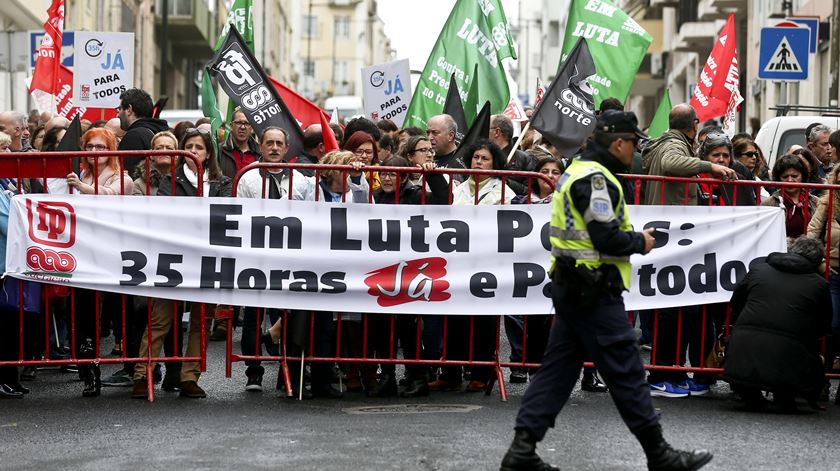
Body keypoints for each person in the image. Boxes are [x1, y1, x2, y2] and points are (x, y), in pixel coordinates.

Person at [500, 110, 712, 471]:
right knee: (627, 370)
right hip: (592, 290)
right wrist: (640, 241)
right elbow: (605, 236)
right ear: (618, 143)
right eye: (633, 143)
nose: (635, 151)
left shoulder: (580, 171)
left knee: (557, 373)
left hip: (575, 287)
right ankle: (659, 454)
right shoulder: (595, 179)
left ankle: (521, 451)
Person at [132, 127, 232, 399]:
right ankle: (142, 375)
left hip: (207, 260)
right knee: (160, 320)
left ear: (208, 153)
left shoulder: (222, 183)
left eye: (199, 148)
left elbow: (224, 217)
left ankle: (190, 377)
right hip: (174, 258)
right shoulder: (170, 181)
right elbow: (168, 214)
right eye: (189, 147)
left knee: (202, 321)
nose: (194, 153)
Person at [430, 140, 514, 393]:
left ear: (495, 163)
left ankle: (481, 373)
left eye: (485, 158)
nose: (478, 162)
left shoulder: (505, 194)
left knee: (483, 322)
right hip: (457, 265)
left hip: (488, 265)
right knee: (454, 320)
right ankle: (451, 373)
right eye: (476, 157)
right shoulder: (458, 189)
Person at [724, 236, 831, 412]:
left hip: (743, 351)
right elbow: (824, 325)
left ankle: (751, 395)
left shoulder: (758, 270)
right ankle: (785, 397)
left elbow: (736, 303)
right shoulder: (819, 284)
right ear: (817, 262)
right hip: (791, 355)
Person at [506, 157, 563, 386]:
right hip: (522, 266)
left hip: (552, 269)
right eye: (545, 171)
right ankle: (518, 362)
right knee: (515, 315)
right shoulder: (519, 202)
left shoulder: (569, 203)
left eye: (555, 171)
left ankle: (538, 366)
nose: (549, 175)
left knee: (544, 319)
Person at [642, 104, 735, 205]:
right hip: (670, 216)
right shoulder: (674, 144)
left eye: (726, 155)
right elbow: (670, 162)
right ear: (695, 124)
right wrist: (710, 166)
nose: (721, 159)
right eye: (716, 155)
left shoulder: (669, 143)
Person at [762, 155, 817, 246]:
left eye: (795, 176)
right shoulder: (768, 204)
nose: (790, 180)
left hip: (810, 254)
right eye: (785, 176)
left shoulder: (815, 202)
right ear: (778, 178)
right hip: (780, 254)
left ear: (802, 177)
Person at [66, 128, 134, 195]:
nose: (93, 151)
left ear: (111, 150)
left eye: (100, 147)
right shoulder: (84, 175)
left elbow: (110, 193)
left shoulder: (124, 179)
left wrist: (80, 185)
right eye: (89, 146)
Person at [116, 88, 170, 173]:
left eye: (120, 108)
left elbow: (126, 176)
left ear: (129, 109)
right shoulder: (159, 130)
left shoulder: (133, 136)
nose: (117, 114)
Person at [490, 114, 537, 196]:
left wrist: (505, 181)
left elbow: (530, 192)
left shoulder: (525, 159)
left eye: (487, 128)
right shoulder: (482, 157)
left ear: (497, 132)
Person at [219, 108, 260, 178]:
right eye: (238, 123)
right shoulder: (219, 151)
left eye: (247, 123)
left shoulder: (260, 153)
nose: (243, 127)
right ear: (231, 126)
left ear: (252, 128)